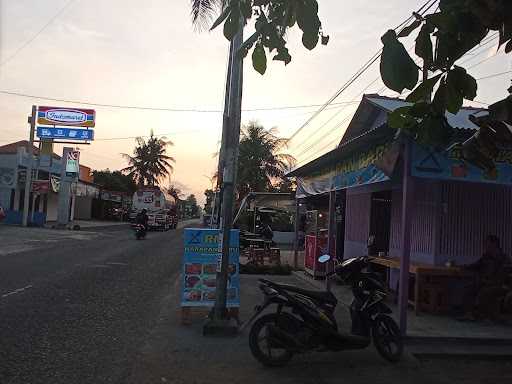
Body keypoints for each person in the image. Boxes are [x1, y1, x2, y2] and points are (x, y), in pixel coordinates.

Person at [460, 235, 510, 321]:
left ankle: (484, 315)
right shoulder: (486, 256)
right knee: (469, 287)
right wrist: (464, 267)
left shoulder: (504, 259)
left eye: (487, 243)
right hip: (484, 282)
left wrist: (489, 281)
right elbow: (476, 265)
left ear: (494, 244)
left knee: (485, 291)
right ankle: (468, 313)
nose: (485, 245)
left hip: (498, 285)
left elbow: (502, 276)